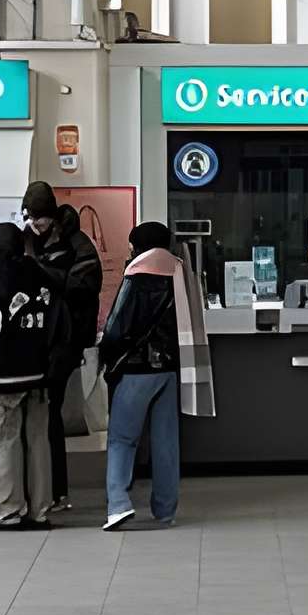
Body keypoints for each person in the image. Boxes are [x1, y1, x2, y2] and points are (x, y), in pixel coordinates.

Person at [98, 221, 207, 527]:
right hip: (170, 367)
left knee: (122, 437)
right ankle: (165, 509)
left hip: (135, 368)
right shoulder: (180, 270)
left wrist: (107, 357)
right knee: (166, 441)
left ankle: (118, 503)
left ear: (140, 244)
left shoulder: (137, 272)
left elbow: (119, 324)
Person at [0, 220, 64, 527]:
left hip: (2, 377)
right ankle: (41, 509)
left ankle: (9, 511)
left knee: (6, 442)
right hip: (41, 372)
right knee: (39, 441)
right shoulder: (45, 277)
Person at [26, 185, 101, 514]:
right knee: (43, 414)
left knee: (49, 412)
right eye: (30, 218)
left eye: (40, 218)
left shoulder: (79, 244)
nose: (35, 225)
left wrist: (41, 273)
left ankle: (54, 490)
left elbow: (84, 287)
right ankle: (43, 488)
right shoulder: (30, 239)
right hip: (38, 339)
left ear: (53, 215)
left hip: (64, 339)